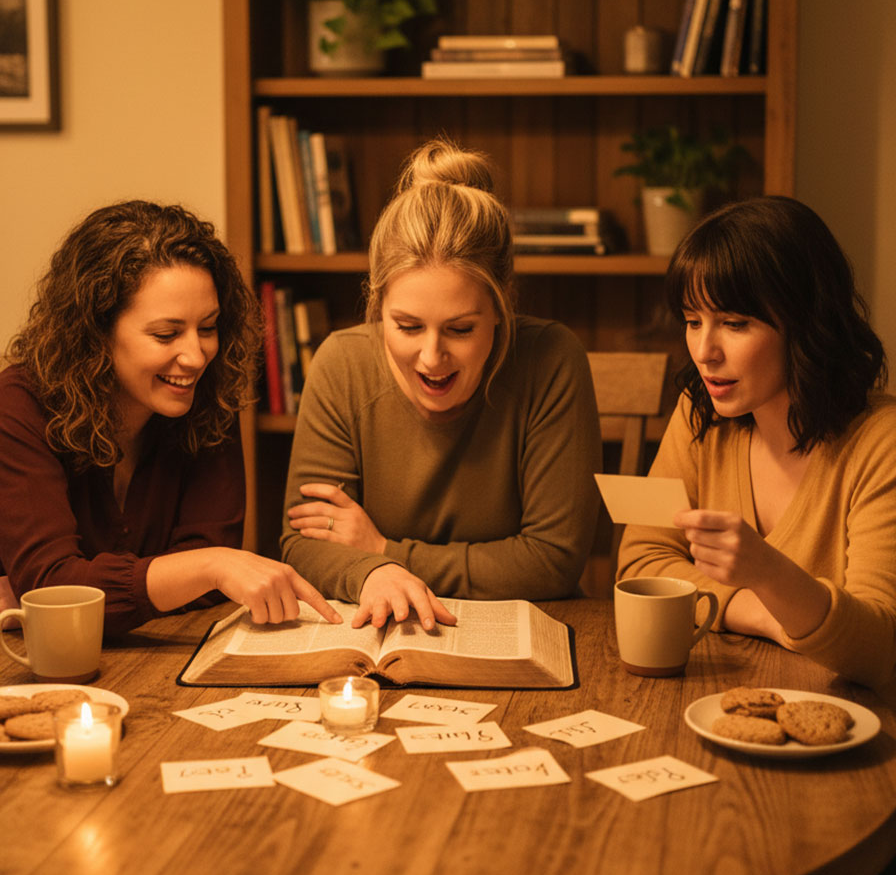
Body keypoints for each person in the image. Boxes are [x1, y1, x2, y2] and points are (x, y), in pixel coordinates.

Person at [282, 137, 602, 630]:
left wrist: (383, 553)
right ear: (377, 302)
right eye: (407, 327)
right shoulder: (342, 363)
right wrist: (376, 575)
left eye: (460, 329)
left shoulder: (552, 360)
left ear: (501, 306)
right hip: (378, 632)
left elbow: (552, 560)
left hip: (524, 632)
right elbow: (303, 541)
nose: (432, 358)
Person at [0, 200, 340, 638]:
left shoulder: (208, 394)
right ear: (97, 331)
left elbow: (207, 578)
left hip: (154, 658)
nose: (196, 356)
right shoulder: (20, 405)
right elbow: (53, 592)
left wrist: (195, 571)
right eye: (166, 334)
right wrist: (206, 567)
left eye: (209, 327)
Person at [617, 195, 896, 691]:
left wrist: (769, 573)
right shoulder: (700, 415)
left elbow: (879, 647)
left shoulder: (881, 443)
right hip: (729, 695)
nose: (705, 352)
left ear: (806, 322)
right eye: (692, 320)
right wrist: (764, 612)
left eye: (734, 323)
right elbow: (643, 563)